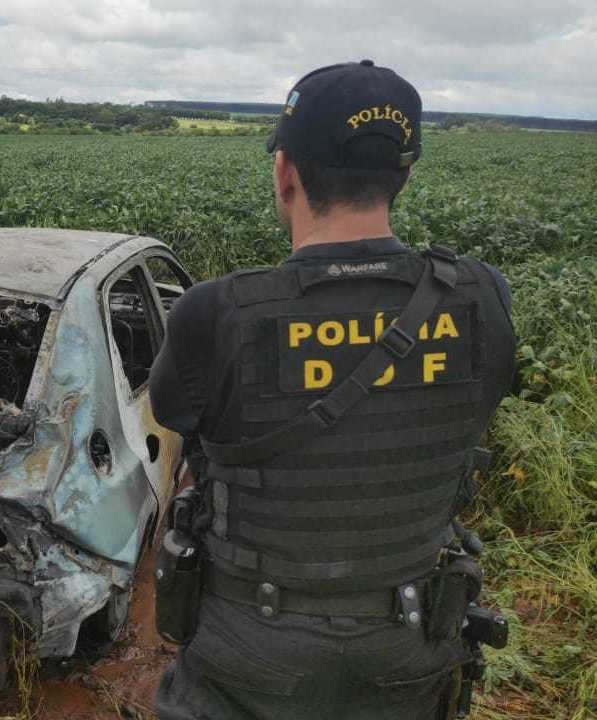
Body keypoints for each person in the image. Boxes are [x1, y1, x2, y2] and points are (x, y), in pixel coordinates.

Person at [148, 60, 516, 719]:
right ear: (403, 173)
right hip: (411, 640)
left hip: (250, 648)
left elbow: (176, 418)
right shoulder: (483, 297)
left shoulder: (214, 313)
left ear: (284, 172)